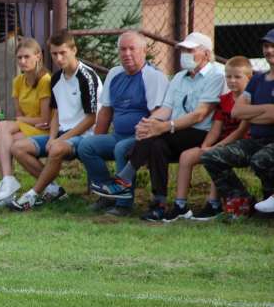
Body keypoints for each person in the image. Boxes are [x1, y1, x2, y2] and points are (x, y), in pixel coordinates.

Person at [92, 32, 225, 221]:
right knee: (155, 144)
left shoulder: (216, 75)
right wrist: (149, 123)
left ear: (206, 53)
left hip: (202, 132)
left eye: (190, 50)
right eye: (183, 50)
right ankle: (159, 204)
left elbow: (199, 114)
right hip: (177, 132)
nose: (185, 54)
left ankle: (124, 178)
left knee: (156, 137)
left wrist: (165, 127)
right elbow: (166, 108)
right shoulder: (179, 77)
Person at [77, 31, 170, 217]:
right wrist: (98, 138)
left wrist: (142, 137)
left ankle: (123, 204)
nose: (127, 53)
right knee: (86, 146)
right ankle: (106, 195)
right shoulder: (114, 73)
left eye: (132, 49)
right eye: (122, 49)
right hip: (117, 135)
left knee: (121, 148)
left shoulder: (153, 77)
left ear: (144, 51)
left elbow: (158, 117)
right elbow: (105, 112)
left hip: (140, 138)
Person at [9, 30, 101, 210]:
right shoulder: (56, 78)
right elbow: (57, 113)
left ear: (74, 50)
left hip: (85, 136)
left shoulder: (86, 77)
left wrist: (60, 140)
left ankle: (31, 196)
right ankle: (54, 189)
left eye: (63, 53)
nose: (58, 58)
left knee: (57, 148)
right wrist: (52, 137)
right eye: (54, 54)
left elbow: (92, 118)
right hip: (60, 134)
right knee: (17, 148)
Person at [169, 57, 251, 221]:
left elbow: (241, 131)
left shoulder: (250, 99)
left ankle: (214, 204)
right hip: (220, 143)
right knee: (187, 156)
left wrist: (216, 147)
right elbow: (216, 128)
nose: (232, 81)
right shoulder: (224, 100)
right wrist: (206, 145)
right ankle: (180, 205)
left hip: (241, 144)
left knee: (215, 156)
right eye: (228, 77)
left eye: (237, 77)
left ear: (249, 77)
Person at [202, 55, 274, 217]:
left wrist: (252, 114)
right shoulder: (257, 80)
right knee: (211, 157)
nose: (269, 50)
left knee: (260, 159)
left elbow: (271, 115)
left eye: (273, 46)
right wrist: (267, 109)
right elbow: (237, 112)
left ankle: (269, 203)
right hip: (255, 141)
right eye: (266, 46)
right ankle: (244, 202)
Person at [0, 37, 51, 207]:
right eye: (19, 57)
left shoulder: (45, 80)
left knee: (1, 128)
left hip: (44, 130)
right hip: (29, 128)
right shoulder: (18, 81)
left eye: (27, 57)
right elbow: (20, 116)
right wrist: (21, 120)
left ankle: (7, 181)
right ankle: (49, 187)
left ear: (38, 56)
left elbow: (45, 119)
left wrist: (21, 120)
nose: (22, 61)